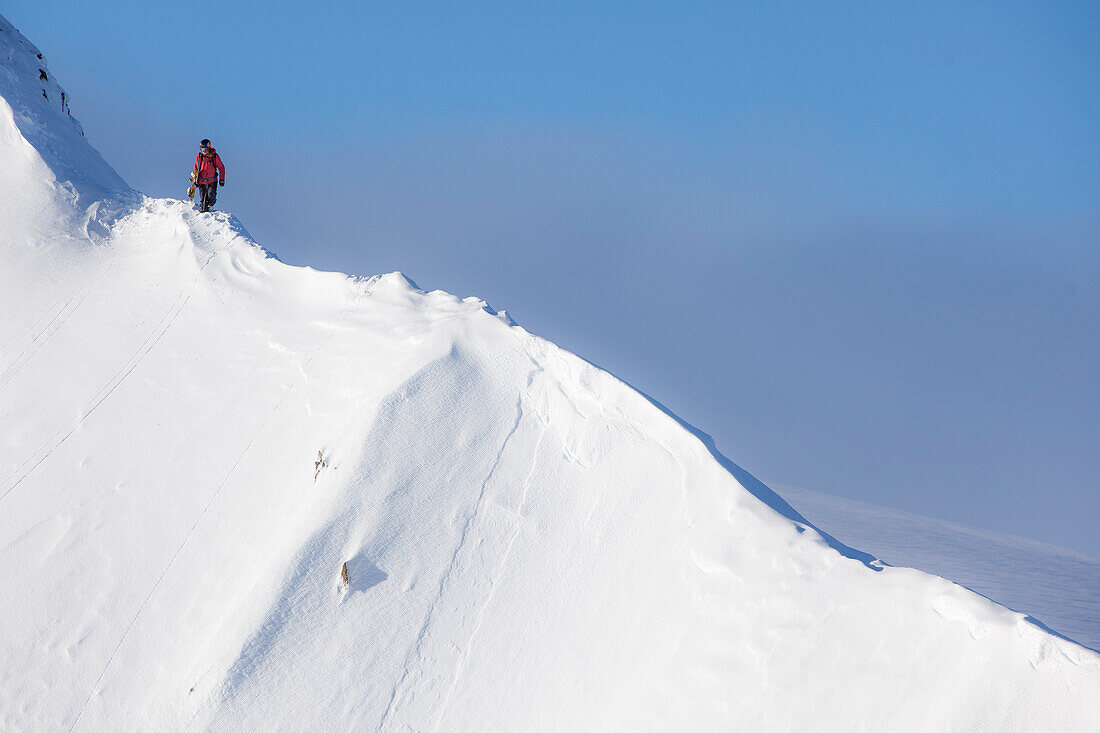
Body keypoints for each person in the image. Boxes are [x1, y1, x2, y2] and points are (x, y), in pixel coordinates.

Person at [192, 139, 225, 212]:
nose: (203, 151)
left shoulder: (214, 156)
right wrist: (194, 180)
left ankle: (210, 207)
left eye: (205, 149)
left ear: (209, 147)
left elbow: (221, 168)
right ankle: (203, 212)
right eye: (202, 149)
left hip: (212, 181)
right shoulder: (200, 156)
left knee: (211, 196)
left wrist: (222, 179)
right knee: (203, 199)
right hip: (201, 180)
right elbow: (196, 169)